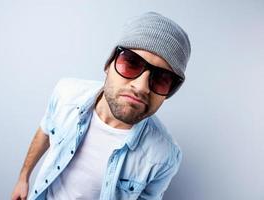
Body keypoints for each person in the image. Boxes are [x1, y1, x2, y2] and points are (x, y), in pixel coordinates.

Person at [11, 11, 191, 200]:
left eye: (162, 78)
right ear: (108, 64)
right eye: (131, 63)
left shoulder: (164, 156)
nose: (141, 87)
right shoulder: (66, 94)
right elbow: (45, 130)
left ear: (169, 92)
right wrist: (23, 177)